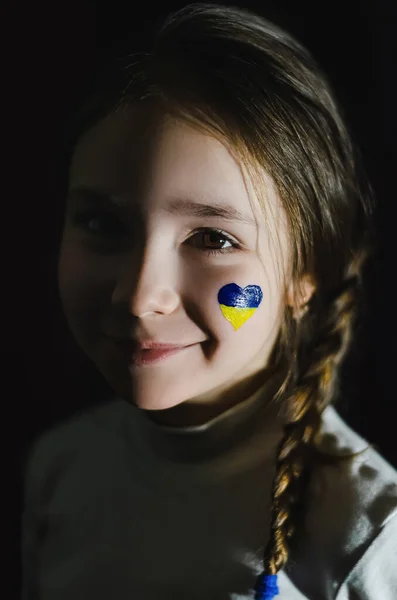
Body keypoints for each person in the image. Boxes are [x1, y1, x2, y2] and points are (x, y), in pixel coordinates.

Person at [21, 3, 397, 599]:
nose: (140, 296)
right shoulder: (59, 471)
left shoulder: (369, 535)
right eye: (101, 223)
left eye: (214, 239)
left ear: (307, 273)